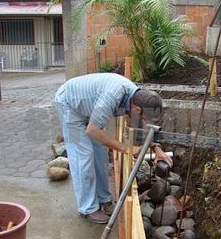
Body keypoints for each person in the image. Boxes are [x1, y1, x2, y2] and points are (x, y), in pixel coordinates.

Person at [54, 73, 173, 224]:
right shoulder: (113, 96)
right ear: (136, 108)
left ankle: (104, 199)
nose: (142, 120)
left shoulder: (137, 98)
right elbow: (92, 130)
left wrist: (156, 149)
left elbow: (138, 129)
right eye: (143, 117)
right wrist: (125, 149)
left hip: (90, 107)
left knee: (101, 154)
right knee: (83, 155)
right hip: (69, 104)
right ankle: (88, 208)